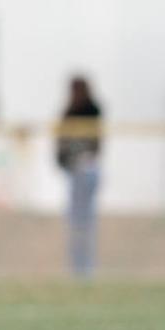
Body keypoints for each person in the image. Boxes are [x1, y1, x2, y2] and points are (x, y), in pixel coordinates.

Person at [57, 76, 102, 277]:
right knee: (79, 223)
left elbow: (96, 145)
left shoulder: (91, 111)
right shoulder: (69, 113)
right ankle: (79, 269)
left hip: (86, 169)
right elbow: (61, 148)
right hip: (77, 170)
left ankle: (84, 269)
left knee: (83, 223)